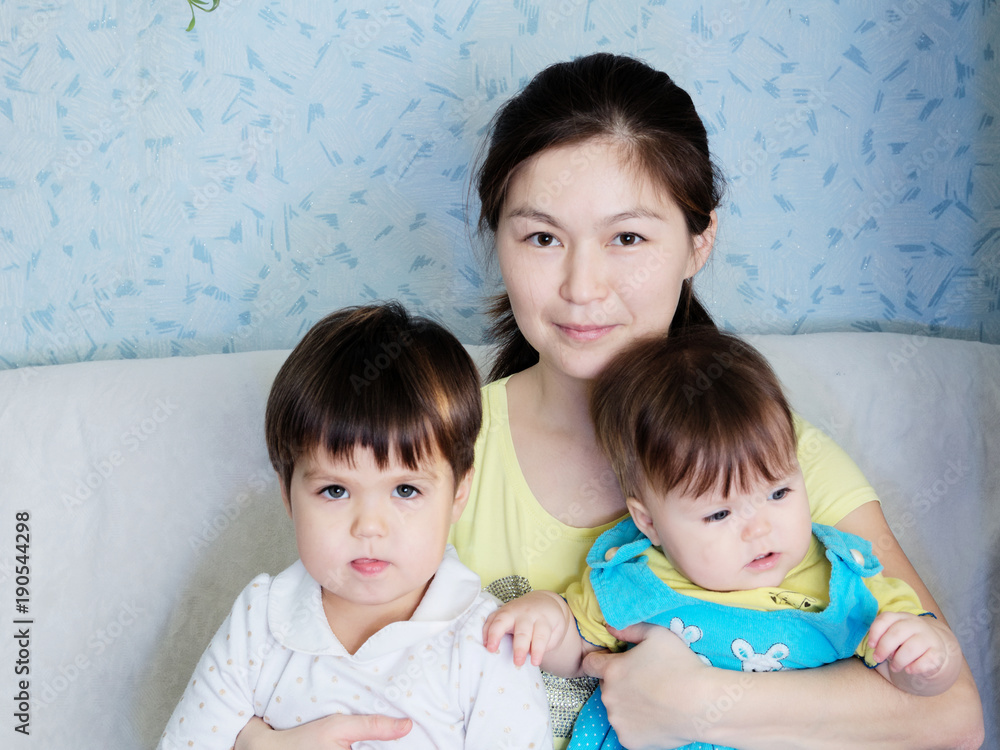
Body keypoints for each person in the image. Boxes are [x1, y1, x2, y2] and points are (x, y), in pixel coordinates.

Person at [235, 53, 983, 749]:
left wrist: (694, 703)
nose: (581, 288)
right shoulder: (435, 446)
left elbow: (954, 716)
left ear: (699, 242)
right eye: (541, 239)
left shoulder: (769, 452)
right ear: (498, 241)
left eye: (627, 238)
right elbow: (310, 665)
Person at [483, 328, 963, 749]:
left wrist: (928, 655)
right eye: (718, 513)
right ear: (648, 523)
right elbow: (581, 656)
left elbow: (924, 691)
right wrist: (547, 620)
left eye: (778, 491)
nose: (759, 528)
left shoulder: (848, 582)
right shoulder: (636, 578)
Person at [158, 303, 552, 749]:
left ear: (459, 494)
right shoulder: (260, 621)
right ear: (288, 496)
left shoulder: (485, 643)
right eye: (335, 491)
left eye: (405, 490)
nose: (369, 527)